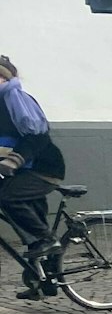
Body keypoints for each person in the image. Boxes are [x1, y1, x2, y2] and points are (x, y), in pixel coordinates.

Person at [0, 57, 66, 299]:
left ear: (6, 78)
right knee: (29, 222)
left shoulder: (16, 100)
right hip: (21, 170)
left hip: (43, 169)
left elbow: (37, 137)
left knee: (8, 198)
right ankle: (44, 282)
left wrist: (14, 160)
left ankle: (47, 239)